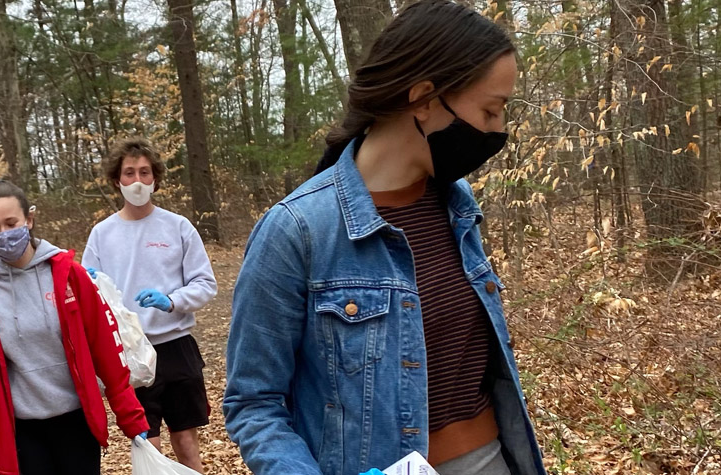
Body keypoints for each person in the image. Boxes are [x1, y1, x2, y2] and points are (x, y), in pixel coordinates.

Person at [222, 1, 545, 475]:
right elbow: (254, 401)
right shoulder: (297, 230)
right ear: (425, 98)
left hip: (491, 459)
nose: (499, 131)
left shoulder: (457, 205)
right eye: (491, 110)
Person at [0, 180, 149, 475]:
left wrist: (130, 417)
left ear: (29, 219)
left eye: (10, 223)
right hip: (21, 429)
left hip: (76, 422)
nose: (3, 234)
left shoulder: (69, 276)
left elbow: (104, 348)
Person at [82, 138, 218, 472]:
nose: (138, 181)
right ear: (118, 180)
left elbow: (206, 284)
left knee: (186, 443)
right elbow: (87, 292)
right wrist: (91, 285)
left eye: (145, 172)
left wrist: (172, 301)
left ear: (155, 178)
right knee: (147, 446)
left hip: (177, 347)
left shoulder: (178, 226)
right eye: (129, 173)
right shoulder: (102, 234)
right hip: (131, 356)